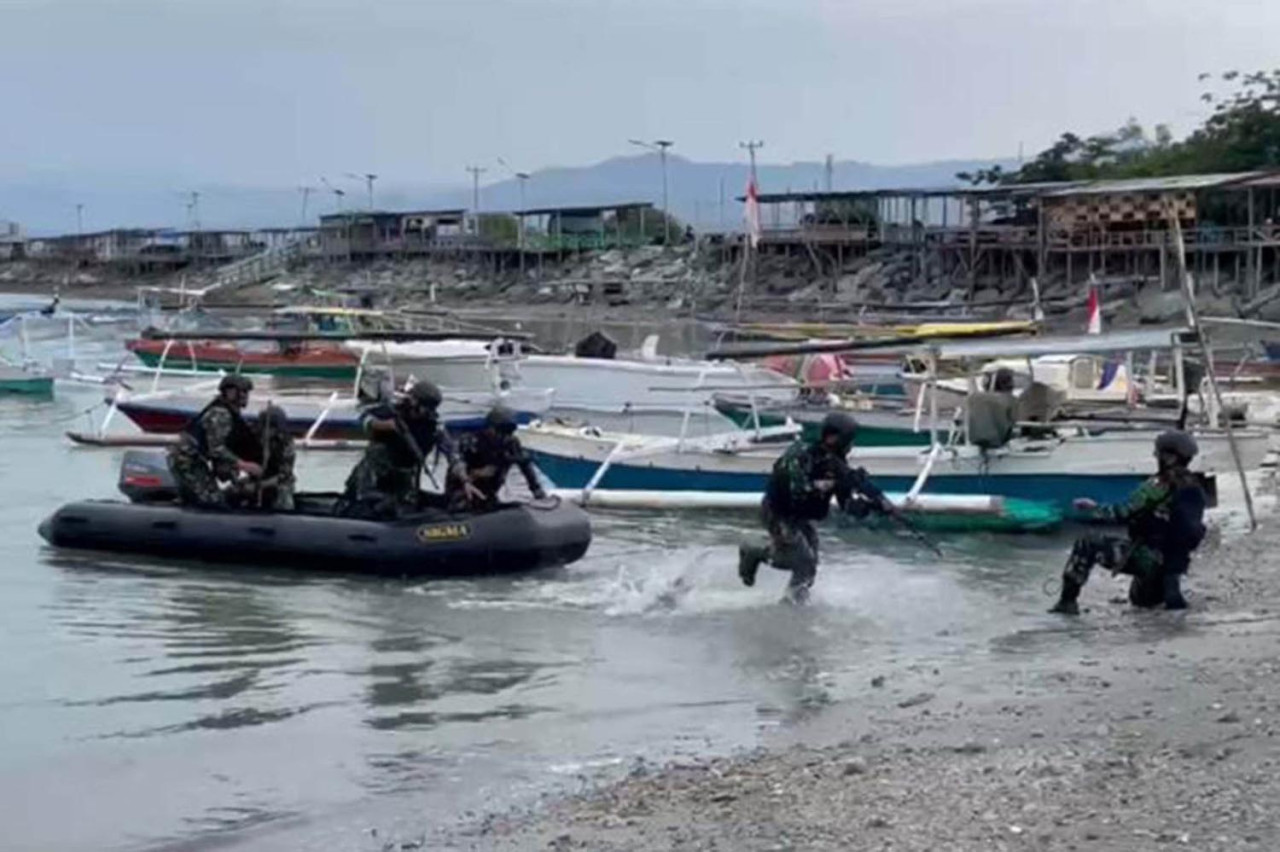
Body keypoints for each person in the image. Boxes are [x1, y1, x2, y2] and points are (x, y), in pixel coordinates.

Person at [737, 412, 895, 604]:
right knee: (800, 561)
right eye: (847, 441)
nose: (850, 447)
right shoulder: (801, 455)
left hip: (800, 516)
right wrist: (833, 482)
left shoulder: (836, 464)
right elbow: (799, 489)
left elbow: (847, 505)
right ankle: (755, 553)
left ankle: (797, 599)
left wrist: (874, 504)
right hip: (778, 513)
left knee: (810, 566)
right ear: (833, 438)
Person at [1050, 430, 1207, 615]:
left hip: (1150, 559)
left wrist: (1093, 508)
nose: (1155, 456)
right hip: (1174, 566)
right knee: (1143, 606)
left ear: (1169, 457)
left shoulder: (1159, 484)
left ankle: (1066, 604)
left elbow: (1122, 513)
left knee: (1087, 543)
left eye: (1158, 452)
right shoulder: (1195, 486)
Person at [338, 379, 479, 518]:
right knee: (366, 507)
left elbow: (452, 454)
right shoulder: (394, 412)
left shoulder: (433, 426)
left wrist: (465, 480)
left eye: (431, 408)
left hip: (403, 481)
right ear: (414, 401)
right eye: (425, 407)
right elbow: (364, 419)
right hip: (373, 478)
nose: (426, 412)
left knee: (404, 509)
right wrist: (383, 425)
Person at [168, 374, 262, 507]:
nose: (245, 396)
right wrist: (244, 465)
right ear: (230, 392)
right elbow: (217, 449)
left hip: (194, 460)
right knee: (213, 502)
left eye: (247, 392)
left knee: (211, 496)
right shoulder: (220, 414)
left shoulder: (231, 413)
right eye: (242, 391)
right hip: (187, 461)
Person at [451, 406, 546, 509]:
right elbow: (457, 462)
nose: (504, 436)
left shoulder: (511, 443)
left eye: (509, 431)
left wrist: (537, 491)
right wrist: (474, 475)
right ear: (489, 428)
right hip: (464, 491)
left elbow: (525, 465)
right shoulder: (471, 441)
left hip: (490, 494)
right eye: (501, 431)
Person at [244, 403, 296, 510]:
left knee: (284, 498)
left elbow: (284, 475)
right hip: (254, 479)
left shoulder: (286, 443)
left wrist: (259, 486)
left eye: (274, 428)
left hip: (277, 482)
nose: (269, 431)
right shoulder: (252, 438)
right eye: (267, 427)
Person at [966, 367, 1018, 450]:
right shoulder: (1010, 400)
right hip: (1000, 441)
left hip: (975, 441)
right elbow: (1015, 420)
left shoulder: (974, 398)